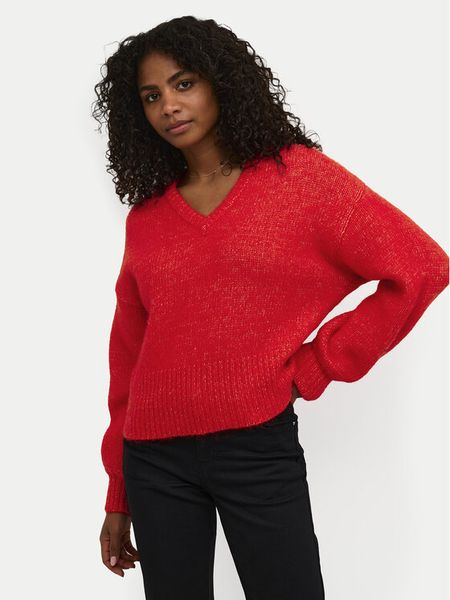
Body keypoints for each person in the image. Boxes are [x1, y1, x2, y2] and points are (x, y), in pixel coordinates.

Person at [92, 16, 449, 600]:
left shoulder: (300, 180)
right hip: (152, 460)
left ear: (221, 82)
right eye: (151, 96)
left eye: (184, 84)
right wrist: (117, 492)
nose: (168, 106)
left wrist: (315, 366)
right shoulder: (148, 217)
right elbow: (128, 358)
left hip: (254, 448)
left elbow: (422, 267)